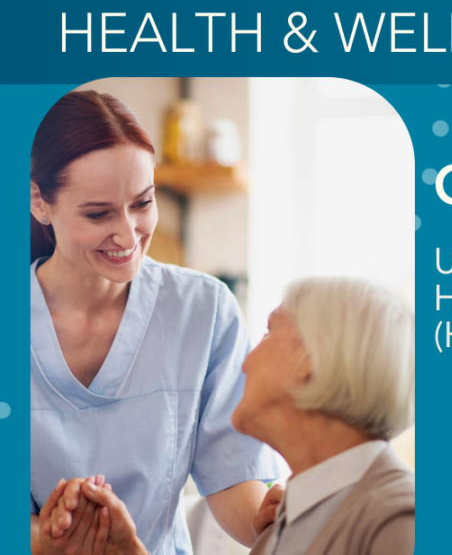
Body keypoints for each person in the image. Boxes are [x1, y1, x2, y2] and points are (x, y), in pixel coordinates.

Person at [30, 90, 280, 555]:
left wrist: (268, 519)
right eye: (99, 213)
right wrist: (47, 537)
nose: (128, 235)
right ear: (40, 203)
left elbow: (233, 476)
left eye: (142, 203)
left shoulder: (203, 311)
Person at [231, 277, 415, 555]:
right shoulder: (280, 524)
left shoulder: (400, 521)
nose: (246, 362)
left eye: (269, 332)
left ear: (311, 356)